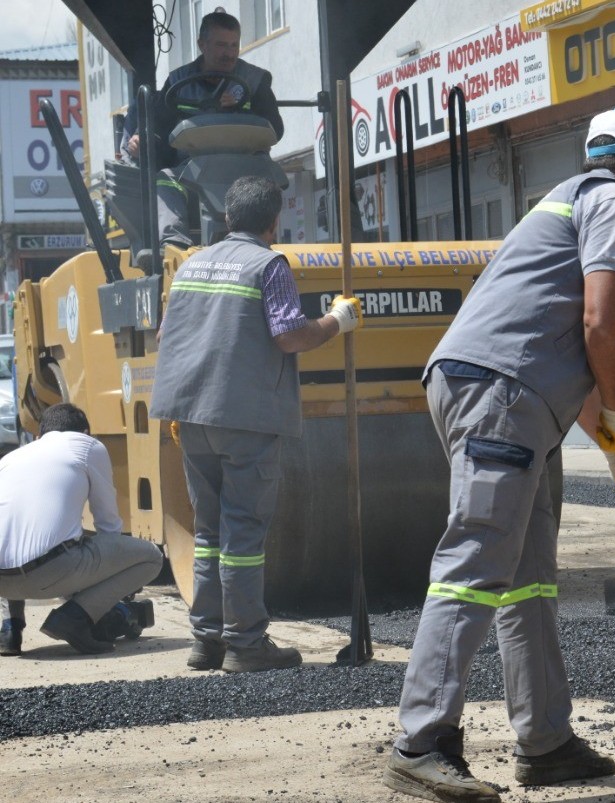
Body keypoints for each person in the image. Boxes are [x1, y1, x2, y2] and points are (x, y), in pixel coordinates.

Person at [384, 105, 615, 803]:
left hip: (504, 393)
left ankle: (545, 738)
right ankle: (421, 741)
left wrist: (610, 443)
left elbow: (555, 335)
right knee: (477, 556)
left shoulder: (565, 198)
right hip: (502, 395)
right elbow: (601, 322)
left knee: (529, 573)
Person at [151, 176, 363, 674]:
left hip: (192, 415)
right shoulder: (269, 265)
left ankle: (206, 641)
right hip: (244, 418)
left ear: (227, 219)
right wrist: (338, 321)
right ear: (274, 222)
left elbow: (167, 335)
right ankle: (246, 644)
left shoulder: (192, 265)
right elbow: (290, 335)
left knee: (209, 532)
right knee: (243, 534)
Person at [0, 403, 163, 655]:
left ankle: (10, 629)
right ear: (86, 431)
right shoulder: (87, 445)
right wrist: (108, 586)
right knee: (152, 557)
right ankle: (73, 619)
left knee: (14, 531)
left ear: (39, 435)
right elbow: (107, 524)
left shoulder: (10, 458)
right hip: (49, 574)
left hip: (3, 583)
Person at [122, 10, 283, 249]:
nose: (228, 53)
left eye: (233, 45)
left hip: (246, 168)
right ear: (201, 44)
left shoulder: (255, 81)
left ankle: (262, 239)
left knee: (269, 181)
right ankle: (174, 244)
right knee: (166, 179)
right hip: (192, 170)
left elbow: (275, 129)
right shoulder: (177, 82)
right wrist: (140, 139)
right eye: (220, 45)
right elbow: (158, 129)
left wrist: (241, 114)